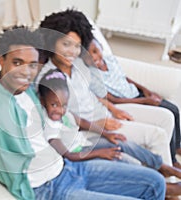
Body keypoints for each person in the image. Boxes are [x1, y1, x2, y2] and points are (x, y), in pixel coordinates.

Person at [0, 27, 167, 199]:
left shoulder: (34, 90)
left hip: (69, 167)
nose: (25, 71)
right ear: (1, 60)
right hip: (47, 190)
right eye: (17, 62)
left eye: (32, 64)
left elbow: (56, 124)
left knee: (155, 183)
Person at [38, 8, 174, 167]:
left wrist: (113, 109)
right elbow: (63, 115)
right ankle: (169, 182)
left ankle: (167, 166)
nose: (72, 52)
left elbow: (91, 93)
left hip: (107, 112)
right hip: (92, 128)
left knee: (166, 117)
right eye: (66, 44)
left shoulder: (78, 64)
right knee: (156, 135)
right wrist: (100, 124)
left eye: (77, 46)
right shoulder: (48, 78)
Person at [38, 68, 181, 182]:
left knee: (120, 141)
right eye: (54, 104)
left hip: (84, 142)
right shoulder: (50, 128)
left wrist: (106, 134)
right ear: (43, 101)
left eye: (63, 105)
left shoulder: (65, 112)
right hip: (79, 152)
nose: (60, 109)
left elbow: (83, 122)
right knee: (122, 159)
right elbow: (70, 155)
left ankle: (162, 166)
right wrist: (99, 152)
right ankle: (155, 180)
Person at [87, 38, 181, 167]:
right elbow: (112, 99)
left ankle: (176, 146)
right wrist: (144, 101)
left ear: (101, 48)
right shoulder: (92, 75)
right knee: (168, 112)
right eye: (88, 55)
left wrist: (146, 90)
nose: (93, 56)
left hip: (137, 94)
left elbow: (124, 77)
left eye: (95, 51)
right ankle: (173, 160)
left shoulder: (110, 60)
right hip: (128, 101)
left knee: (174, 109)